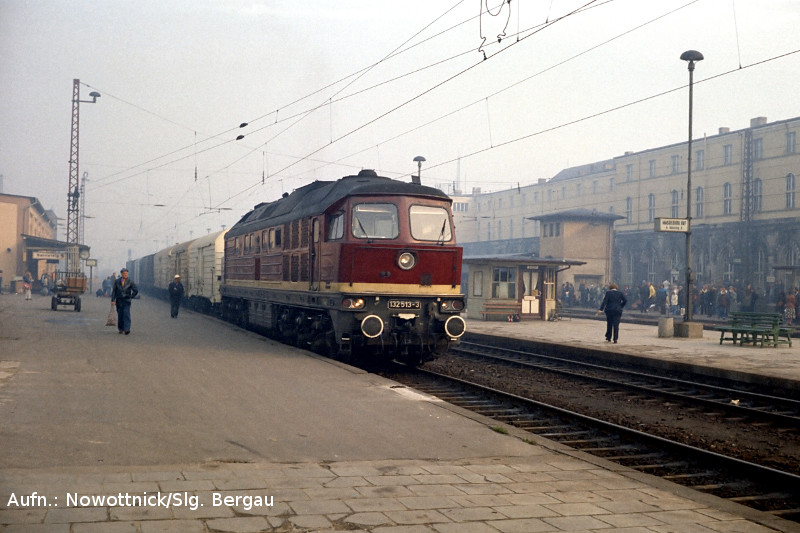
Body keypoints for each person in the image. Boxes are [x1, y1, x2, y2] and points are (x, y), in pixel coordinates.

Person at [111, 267, 138, 335]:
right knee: (120, 314)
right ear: (121, 274)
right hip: (119, 300)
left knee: (126, 314)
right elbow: (114, 291)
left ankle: (127, 329)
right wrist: (112, 300)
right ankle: (121, 328)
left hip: (126, 300)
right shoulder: (117, 281)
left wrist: (131, 296)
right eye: (124, 273)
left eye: (126, 273)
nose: (125, 275)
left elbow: (135, 290)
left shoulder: (130, 282)